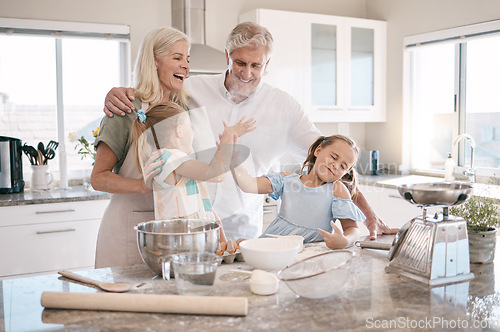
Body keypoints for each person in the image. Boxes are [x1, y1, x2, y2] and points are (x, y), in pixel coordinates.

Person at [102, 22, 398, 241]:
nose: (247, 73)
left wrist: (369, 215)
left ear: (267, 63)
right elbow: (151, 96)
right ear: (227, 56)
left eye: (257, 65)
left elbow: (334, 160)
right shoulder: (191, 89)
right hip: (190, 220)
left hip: (244, 228)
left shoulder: (285, 108)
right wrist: (119, 93)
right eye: (240, 62)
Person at [90, 27, 192, 268]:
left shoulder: (182, 111)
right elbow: (98, 178)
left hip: (169, 230)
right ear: (154, 61)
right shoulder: (125, 108)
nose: (185, 66)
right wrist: (143, 185)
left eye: (187, 59)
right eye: (177, 58)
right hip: (127, 230)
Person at [130, 101, 255, 243]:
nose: (193, 132)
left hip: (191, 245)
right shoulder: (169, 158)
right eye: (190, 126)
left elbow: (206, 209)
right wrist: (228, 136)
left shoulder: (175, 161)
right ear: (179, 130)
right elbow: (216, 174)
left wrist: (223, 244)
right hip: (181, 247)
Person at [232, 135, 365, 249]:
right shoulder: (286, 180)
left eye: (343, 166)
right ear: (318, 151)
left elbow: (352, 229)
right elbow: (248, 184)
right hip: (273, 247)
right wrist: (233, 158)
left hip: (309, 254)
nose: (336, 165)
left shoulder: (337, 190)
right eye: (334, 157)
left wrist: (345, 241)